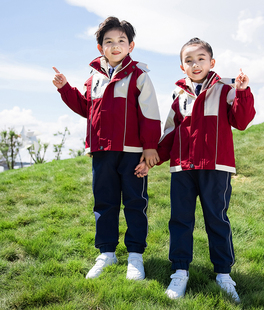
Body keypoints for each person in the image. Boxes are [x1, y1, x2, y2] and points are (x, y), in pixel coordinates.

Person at [52, 16, 161, 281]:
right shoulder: (93, 77)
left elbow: (150, 115)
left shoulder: (139, 76)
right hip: (102, 152)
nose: (115, 46)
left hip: (132, 152)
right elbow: (87, 110)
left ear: (130, 46)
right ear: (100, 47)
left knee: (135, 203)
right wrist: (65, 89)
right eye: (109, 41)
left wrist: (149, 149)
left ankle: (135, 255)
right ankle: (107, 253)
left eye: (121, 41)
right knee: (105, 203)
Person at [157, 37, 255, 302]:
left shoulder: (226, 89)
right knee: (180, 221)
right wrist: (152, 158)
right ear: (182, 67)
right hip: (182, 168)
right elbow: (169, 132)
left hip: (216, 167)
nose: (195, 64)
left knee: (217, 220)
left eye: (200, 59)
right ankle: (179, 272)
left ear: (211, 63)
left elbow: (242, 120)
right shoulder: (178, 96)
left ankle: (223, 274)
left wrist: (243, 91)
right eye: (188, 60)